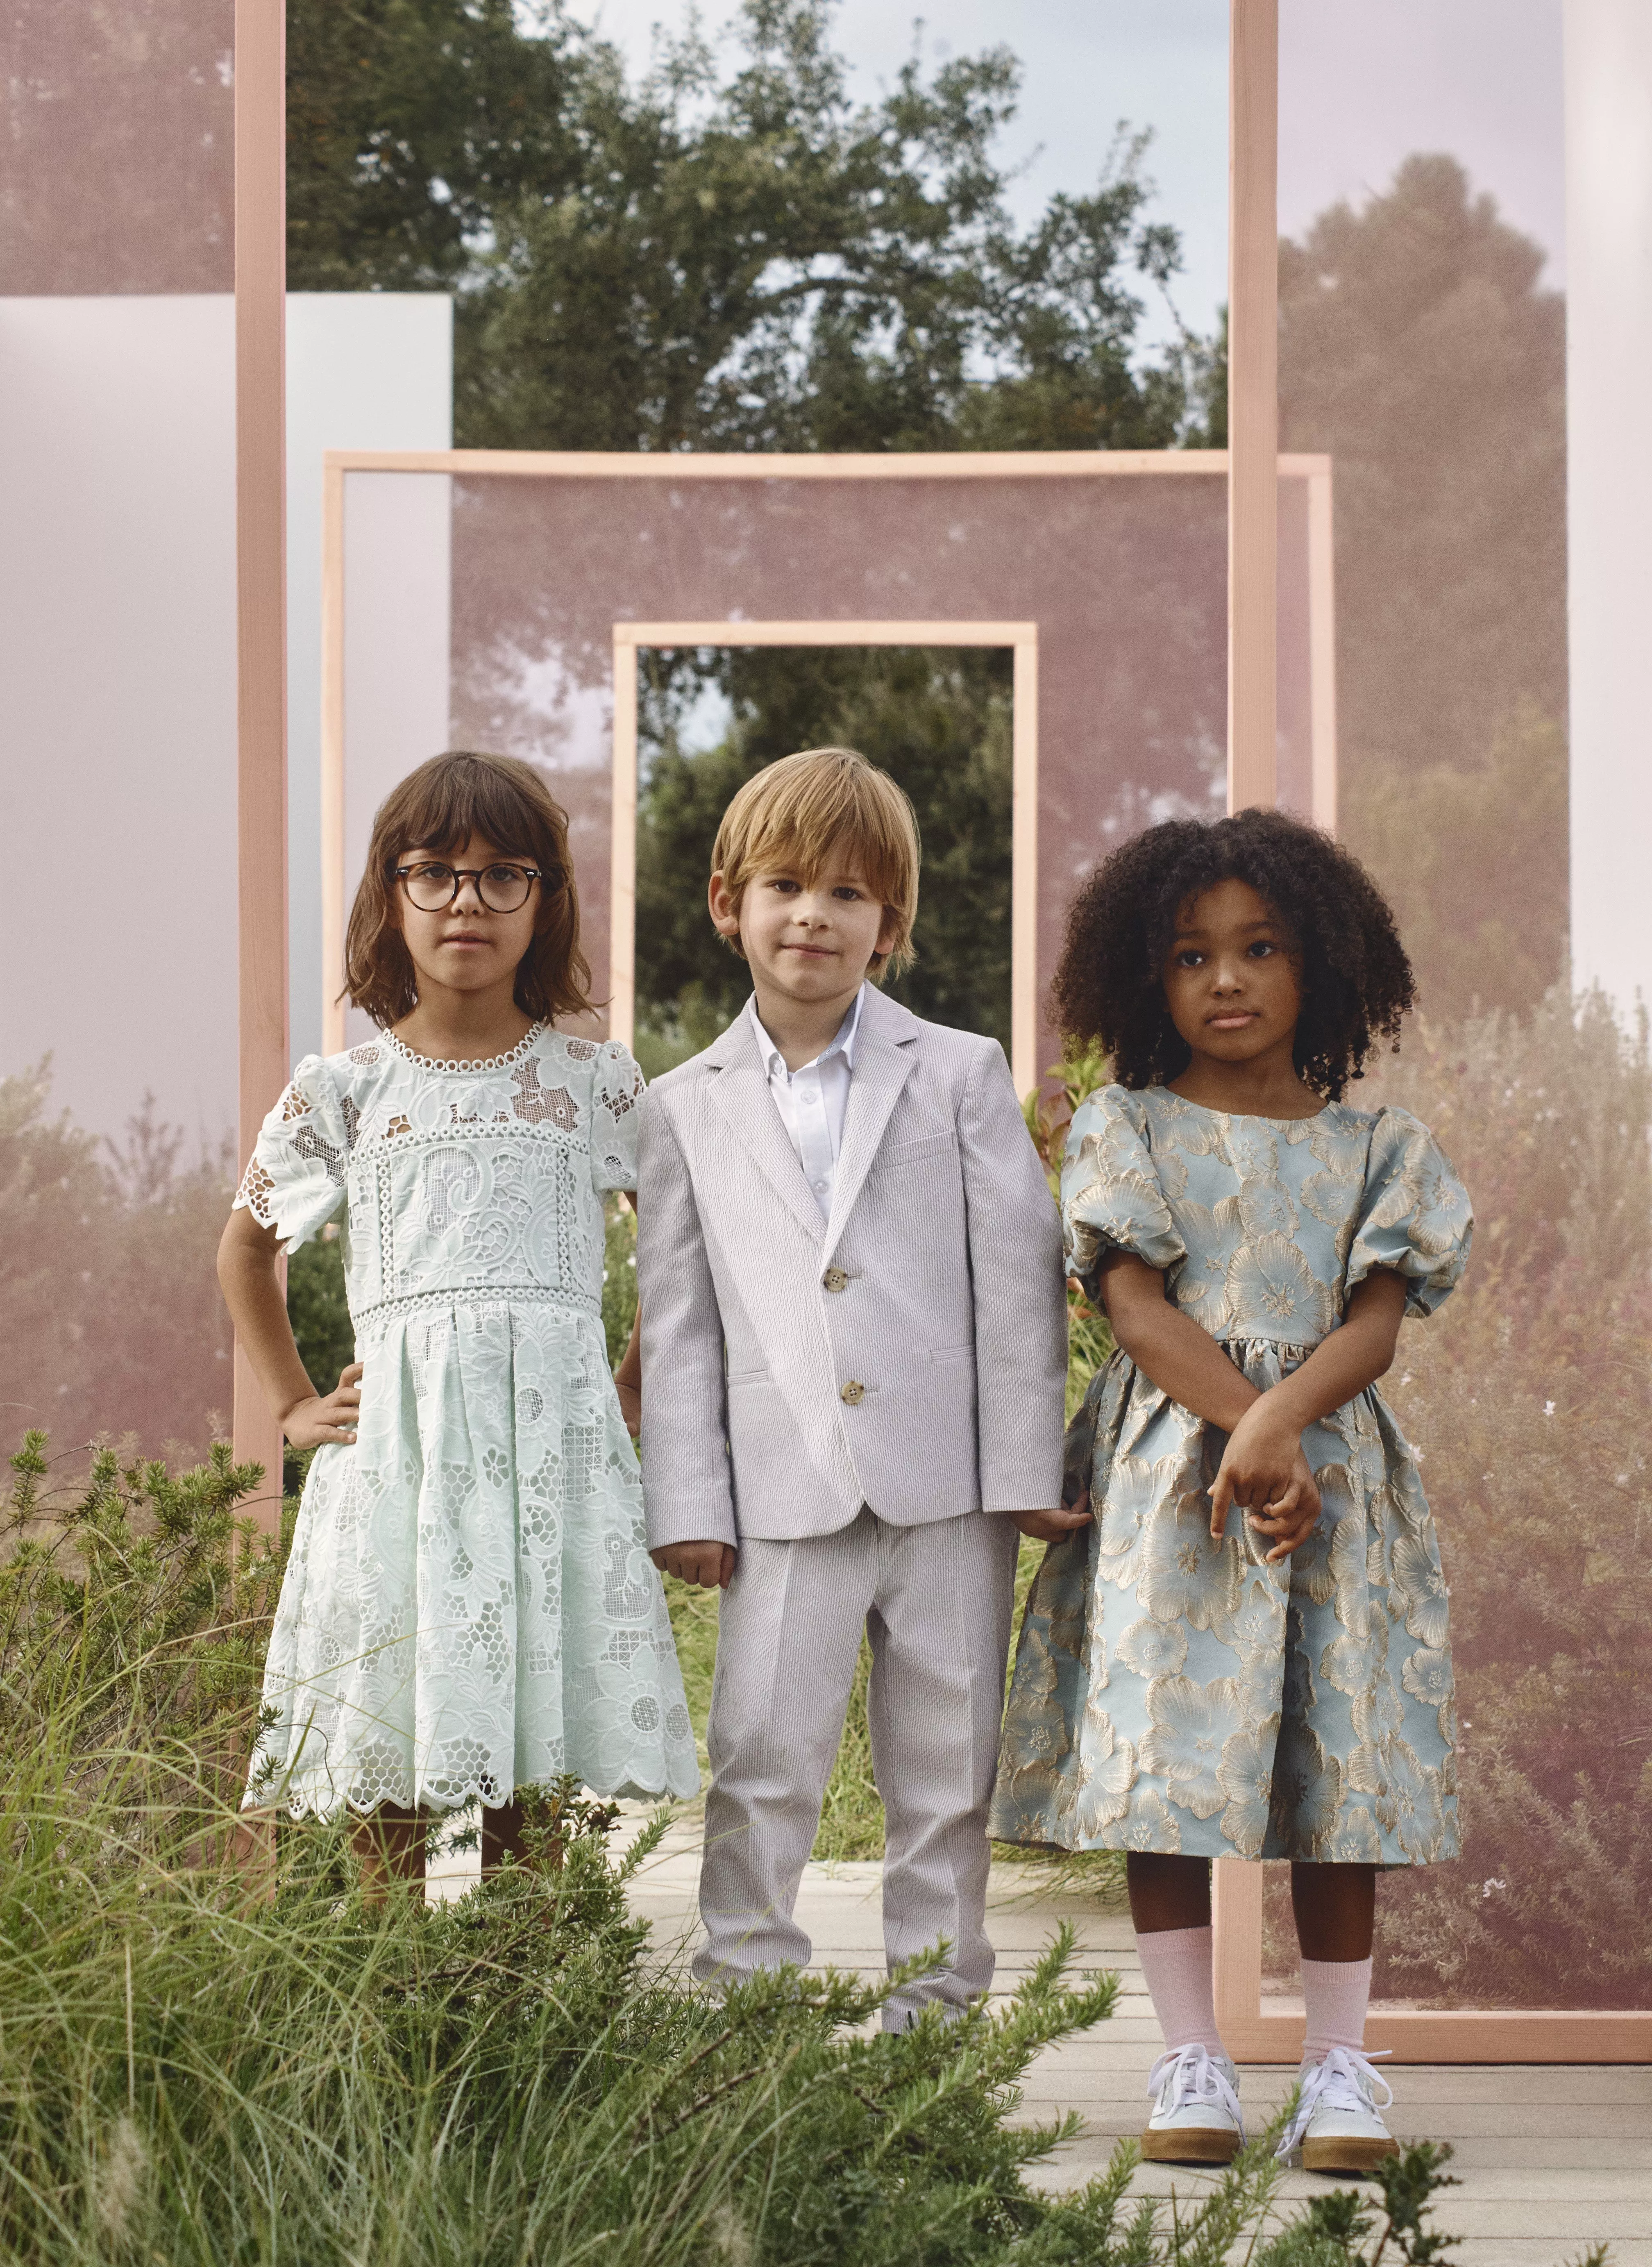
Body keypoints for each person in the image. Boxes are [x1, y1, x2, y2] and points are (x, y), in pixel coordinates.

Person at [992, 810, 1472, 2173]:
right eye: (1193, 955)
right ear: (1146, 978)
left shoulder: (1379, 1150)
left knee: (1337, 1767)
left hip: (1330, 1480)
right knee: (1170, 1771)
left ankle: (1339, 2068)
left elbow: (1374, 1327)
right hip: (1177, 1488)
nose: (1227, 978)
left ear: (1320, 963)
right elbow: (1133, 1303)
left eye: (1260, 948)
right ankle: (1191, 2057)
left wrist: (1284, 1424)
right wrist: (1247, 1430)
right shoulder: (1127, 1131)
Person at [636, 747, 1074, 2029]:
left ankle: (935, 2029)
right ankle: (747, 2015)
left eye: (849, 893)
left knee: (944, 1772)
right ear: (730, 904)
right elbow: (679, 1324)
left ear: (892, 926)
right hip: (780, 1496)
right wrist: (688, 1499)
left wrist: (1025, 1476)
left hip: (950, 1494)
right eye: (784, 884)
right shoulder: (681, 1108)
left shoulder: (960, 1072)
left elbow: (1018, 1286)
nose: (814, 914)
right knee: (761, 1766)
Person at [219, 750, 697, 1889]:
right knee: (391, 1755)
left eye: (502, 876)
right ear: (393, 895)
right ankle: (395, 2036)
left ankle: (521, 2043)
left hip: (551, 1462)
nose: (467, 903)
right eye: (434, 874)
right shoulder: (344, 1091)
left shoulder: (599, 1085)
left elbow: (682, 1256)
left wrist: (628, 1385)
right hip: (400, 1464)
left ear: (546, 900)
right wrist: (291, 1402)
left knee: (531, 1775)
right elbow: (245, 1248)